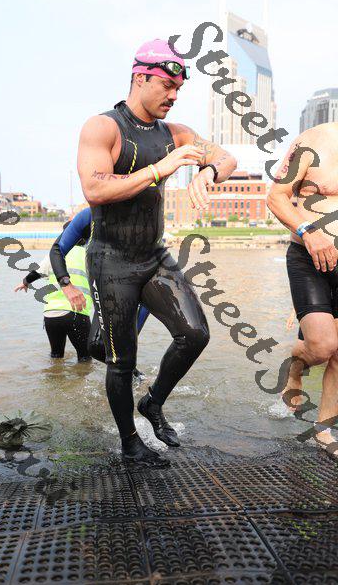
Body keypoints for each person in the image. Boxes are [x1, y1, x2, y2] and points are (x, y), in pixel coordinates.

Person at [71, 38, 237, 467]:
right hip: (111, 262)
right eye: (167, 85)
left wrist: (208, 171)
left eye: (179, 88)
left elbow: (226, 157)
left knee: (195, 334)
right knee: (120, 361)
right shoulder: (103, 128)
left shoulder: (174, 133)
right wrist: (160, 169)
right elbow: (95, 188)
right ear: (140, 77)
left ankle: (153, 402)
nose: (174, 96)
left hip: (154, 257)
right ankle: (130, 443)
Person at [267, 121, 338, 456]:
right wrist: (308, 231)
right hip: (309, 257)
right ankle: (294, 368)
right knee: (322, 347)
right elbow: (276, 197)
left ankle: (324, 431)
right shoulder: (312, 141)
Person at [50, 209, 150, 374]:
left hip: (135, 294)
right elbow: (56, 251)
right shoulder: (87, 243)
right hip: (104, 299)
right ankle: (134, 376)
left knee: (115, 348)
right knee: (96, 349)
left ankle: (135, 377)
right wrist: (67, 285)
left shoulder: (125, 226)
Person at [14, 234, 93, 361]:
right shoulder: (88, 255)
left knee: (56, 357)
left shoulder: (54, 254)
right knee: (85, 358)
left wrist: (25, 282)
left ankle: (54, 373)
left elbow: (36, 272)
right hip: (76, 311)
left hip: (51, 314)